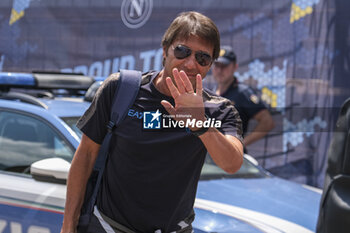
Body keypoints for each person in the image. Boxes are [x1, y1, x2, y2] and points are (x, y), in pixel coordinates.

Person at [61, 12, 243, 233]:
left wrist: (200, 124)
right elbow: (86, 155)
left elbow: (232, 164)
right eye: (182, 51)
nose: (190, 63)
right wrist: (68, 226)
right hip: (109, 226)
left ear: (210, 65)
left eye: (202, 58)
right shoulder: (121, 88)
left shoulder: (219, 109)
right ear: (165, 50)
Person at [212, 46, 274, 148]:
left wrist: (240, 144)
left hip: (230, 156)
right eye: (217, 65)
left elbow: (267, 122)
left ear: (235, 67)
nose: (219, 70)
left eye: (224, 66)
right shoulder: (211, 92)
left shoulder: (243, 92)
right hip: (209, 156)